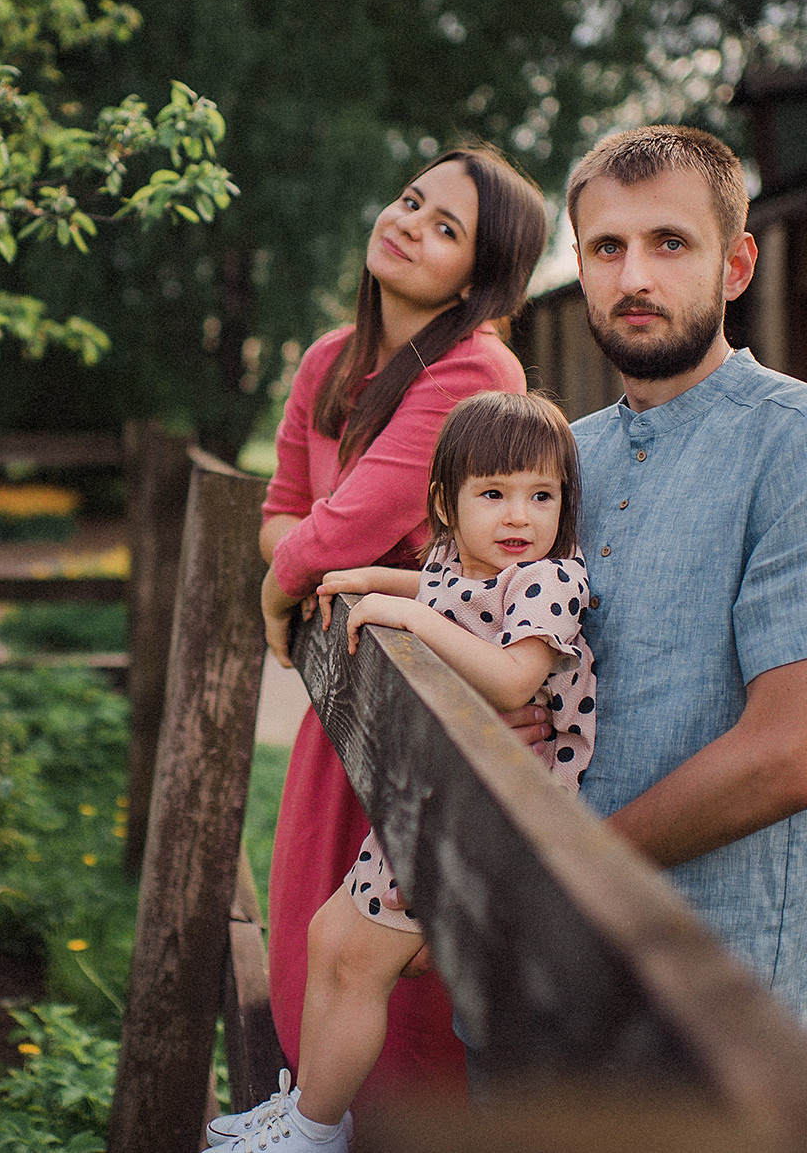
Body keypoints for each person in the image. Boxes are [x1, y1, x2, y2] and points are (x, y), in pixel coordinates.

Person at [564, 124, 807, 1065]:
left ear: (737, 265)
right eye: (608, 247)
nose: (635, 275)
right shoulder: (568, 455)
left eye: (669, 242)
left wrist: (560, 872)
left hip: (729, 1033)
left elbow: (791, 755)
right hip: (553, 1007)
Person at [217, 391, 594, 1152]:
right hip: (440, 800)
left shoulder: (548, 579)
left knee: (359, 960)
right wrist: (366, 577)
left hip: (489, 822)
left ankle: (315, 1133)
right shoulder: (476, 568)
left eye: (541, 495)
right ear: (447, 507)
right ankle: (306, 1112)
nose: (519, 516)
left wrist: (411, 618)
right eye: (494, 494)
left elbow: (516, 676)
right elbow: (439, 589)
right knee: (330, 935)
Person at [258, 144, 551, 1105]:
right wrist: (298, 558)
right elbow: (280, 513)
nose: (408, 223)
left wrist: (281, 586)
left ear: (480, 274)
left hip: (435, 710)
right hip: (350, 693)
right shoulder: (326, 363)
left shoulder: (478, 366)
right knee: (310, 943)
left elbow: (347, 522)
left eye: (445, 227)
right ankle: (311, 1123)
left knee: (398, 984)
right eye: (410, 199)